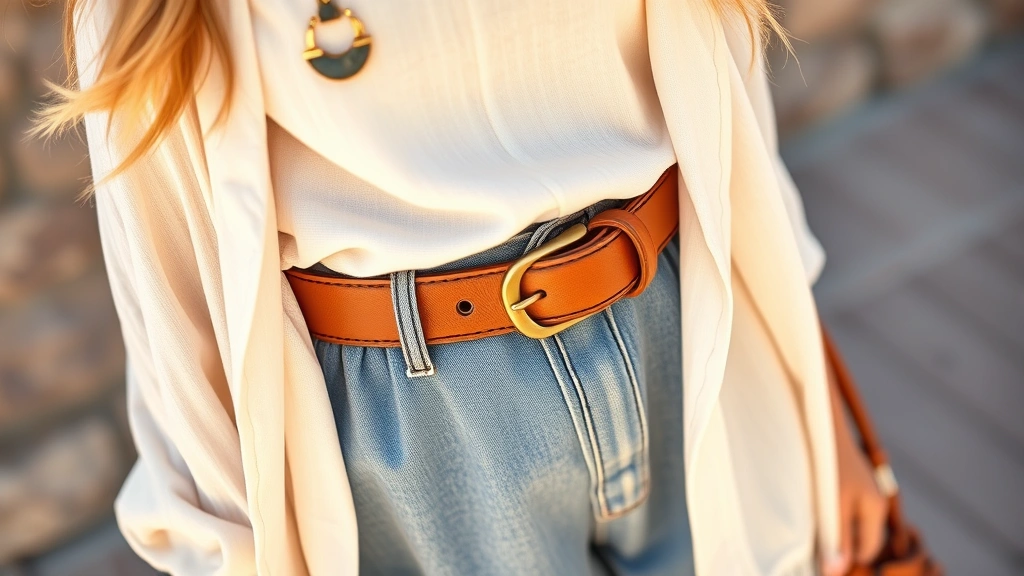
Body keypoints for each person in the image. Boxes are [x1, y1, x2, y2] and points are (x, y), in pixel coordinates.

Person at [40, 0, 889, 574]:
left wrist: (819, 405)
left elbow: (727, 95)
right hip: (427, 431)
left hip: (686, 320)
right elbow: (170, 289)